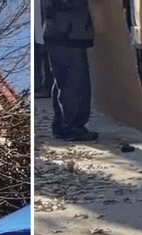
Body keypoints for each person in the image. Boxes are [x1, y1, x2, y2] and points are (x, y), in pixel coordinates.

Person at [41, 0, 98, 142]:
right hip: (67, 33)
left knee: (65, 82)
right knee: (74, 83)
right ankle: (72, 128)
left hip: (63, 32)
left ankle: (62, 126)